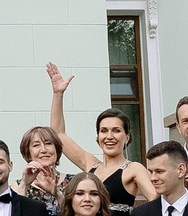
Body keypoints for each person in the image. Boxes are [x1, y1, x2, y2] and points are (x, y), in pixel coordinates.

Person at [45, 63, 154, 208]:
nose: (109, 136)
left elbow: (155, 200)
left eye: (116, 130)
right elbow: (58, 134)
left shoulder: (134, 169)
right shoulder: (91, 165)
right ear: (98, 137)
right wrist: (58, 94)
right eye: (104, 131)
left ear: (127, 137)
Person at [17, 126, 64, 205]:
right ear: (28, 154)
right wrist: (24, 185)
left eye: (48, 143)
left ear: (57, 150)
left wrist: (58, 194)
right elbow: (15, 215)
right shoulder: (18, 186)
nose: (43, 150)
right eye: (36, 145)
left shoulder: (74, 183)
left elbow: (75, 215)